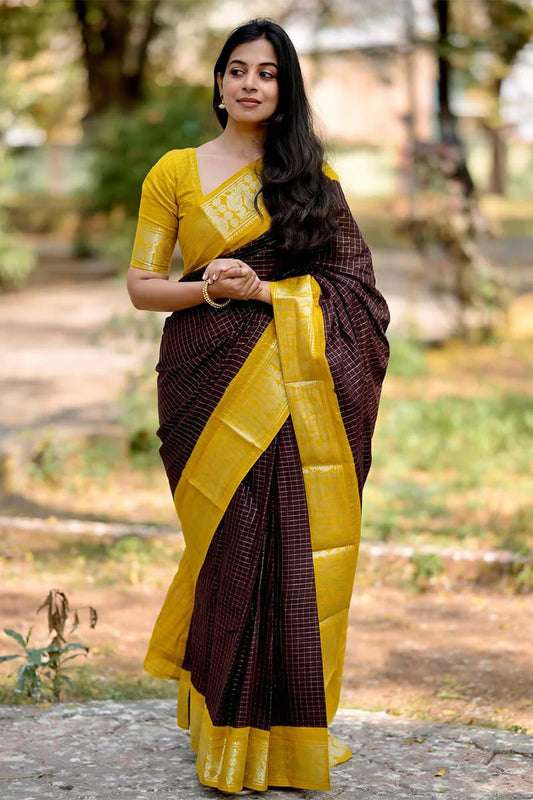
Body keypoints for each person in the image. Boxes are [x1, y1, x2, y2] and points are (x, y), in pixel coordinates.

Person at [127, 18, 389, 795]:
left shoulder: (313, 178)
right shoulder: (174, 171)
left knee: (289, 550)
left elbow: (358, 295)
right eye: (236, 69)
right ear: (216, 81)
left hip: (296, 383)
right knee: (229, 547)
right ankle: (224, 736)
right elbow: (143, 286)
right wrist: (208, 285)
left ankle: (286, 742)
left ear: (286, 88)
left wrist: (268, 291)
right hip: (205, 382)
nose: (249, 83)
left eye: (267, 73)